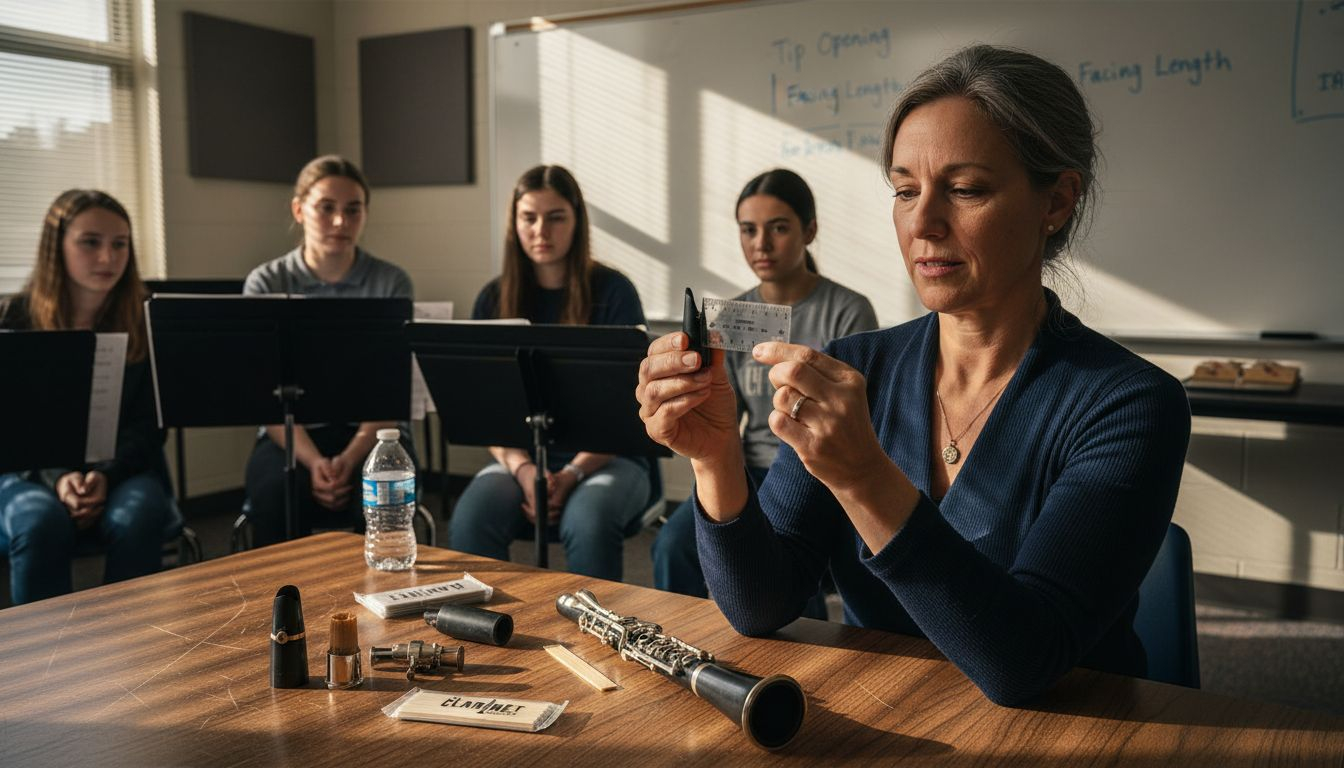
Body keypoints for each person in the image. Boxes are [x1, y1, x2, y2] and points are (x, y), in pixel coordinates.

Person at [635, 45, 1191, 706]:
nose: (923, 223)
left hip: (1070, 732)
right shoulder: (855, 367)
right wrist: (715, 457)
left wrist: (864, 477)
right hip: (894, 713)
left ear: (1057, 201)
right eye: (905, 191)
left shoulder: (1130, 404)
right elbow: (762, 604)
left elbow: (1025, 662)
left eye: (965, 189)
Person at [651, 169, 878, 604]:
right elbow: (725, 417)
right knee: (672, 545)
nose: (761, 244)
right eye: (748, 230)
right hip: (750, 469)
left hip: (815, 472)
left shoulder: (847, 310)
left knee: (785, 558)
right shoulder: (732, 316)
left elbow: (854, 420)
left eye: (778, 228)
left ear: (809, 231)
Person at [450, 164, 650, 581]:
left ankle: (596, 623)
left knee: (588, 519)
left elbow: (626, 411)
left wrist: (572, 473)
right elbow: (487, 412)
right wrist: (525, 470)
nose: (541, 230)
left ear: (577, 221)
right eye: (529, 218)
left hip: (610, 458)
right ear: (515, 223)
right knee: (471, 518)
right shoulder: (493, 297)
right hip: (522, 459)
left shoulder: (615, 292)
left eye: (556, 217)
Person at [0, 190, 172, 605]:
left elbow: (149, 427)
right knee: (39, 522)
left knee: (139, 516)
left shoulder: (145, 318)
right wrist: (59, 477)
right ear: (56, 246)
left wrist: (105, 475)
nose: (108, 257)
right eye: (90, 242)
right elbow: (11, 427)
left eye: (120, 244)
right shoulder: (13, 319)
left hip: (123, 470)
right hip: (28, 475)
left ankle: (132, 640)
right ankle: (44, 646)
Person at [243, 155, 414, 546]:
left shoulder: (391, 281)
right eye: (326, 208)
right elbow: (263, 395)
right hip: (292, 434)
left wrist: (350, 458)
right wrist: (315, 461)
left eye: (353, 210)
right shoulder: (266, 281)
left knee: (384, 498)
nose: (340, 221)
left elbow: (391, 388)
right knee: (274, 496)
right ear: (298, 210)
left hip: (375, 435)